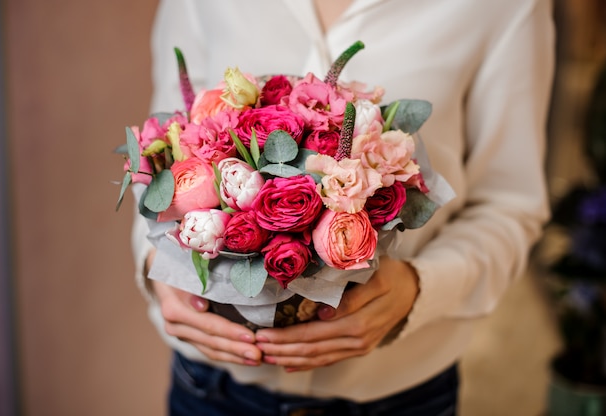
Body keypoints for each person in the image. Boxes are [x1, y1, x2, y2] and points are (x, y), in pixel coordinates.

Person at [131, 0, 555, 414]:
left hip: (399, 396)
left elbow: (509, 204)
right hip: (212, 389)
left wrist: (419, 288)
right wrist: (160, 269)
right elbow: (160, 161)